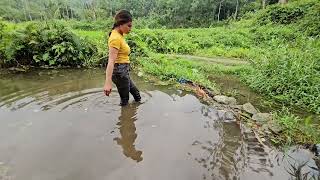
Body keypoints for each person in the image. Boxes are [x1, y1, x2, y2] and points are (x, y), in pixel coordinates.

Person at [103, 10, 141, 106]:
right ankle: (125, 119)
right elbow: (111, 61)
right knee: (125, 101)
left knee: (137, 95)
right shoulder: (115, 38)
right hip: (119, 72)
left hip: (123, 72)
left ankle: (132, 114)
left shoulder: (119, 35)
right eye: (129, 26)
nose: (130, 28)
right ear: (120, 24)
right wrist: (108, 82)